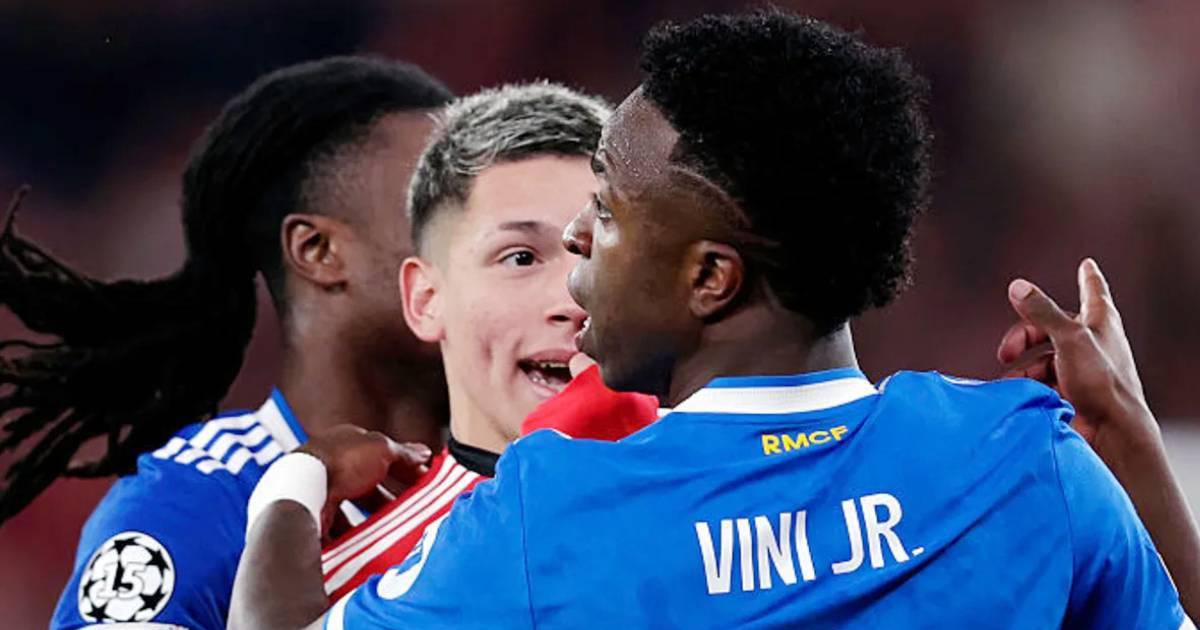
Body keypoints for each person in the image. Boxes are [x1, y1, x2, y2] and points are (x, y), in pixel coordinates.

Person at [230, 12, 1189, 629]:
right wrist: (1129, 439)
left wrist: (292, 483)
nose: (577, 234)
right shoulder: (1023, 461)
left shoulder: (553, 515)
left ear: (710, 280)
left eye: (608, 210)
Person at [0, 56, 455, 629]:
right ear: (317, 251)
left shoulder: (525, 480)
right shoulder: (195, 501)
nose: (480, 239)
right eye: (439, 205)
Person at [318, 82, 658, 599]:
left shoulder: (759, 509)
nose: (576, 299)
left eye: (604, 250)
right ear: (426, 299)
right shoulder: (350, 591)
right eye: (521, 257)